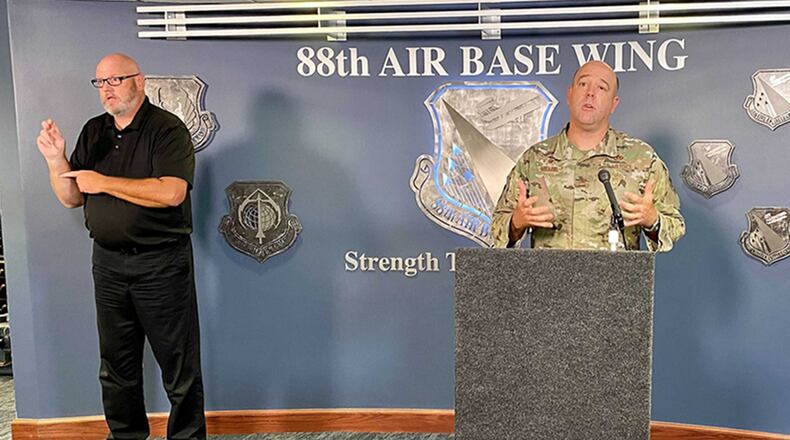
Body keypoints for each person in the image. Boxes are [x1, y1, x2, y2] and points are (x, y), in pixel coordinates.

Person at [36, 53, 206, 440]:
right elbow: (71, 197)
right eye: (100, 83)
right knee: (116, 366)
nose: (107, 89)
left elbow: (172, 192)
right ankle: (126, 436)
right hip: (109, 266)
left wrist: (105, 182)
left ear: (139, 81)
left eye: (115, 80)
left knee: (179, 368)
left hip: (161, 264)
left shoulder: (167, 129)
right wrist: (55, 159)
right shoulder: (94, 131)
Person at [491, 60, 685, 250]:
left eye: (601, 88)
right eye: (583, 84)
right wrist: (516, 223)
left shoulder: (641, 158)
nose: (590, 93)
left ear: (613, 104)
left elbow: (675, 225)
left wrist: (652, 220)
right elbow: (496, 227)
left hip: (615, 280)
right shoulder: (533, 159)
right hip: (548, 280)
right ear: (570, 94)